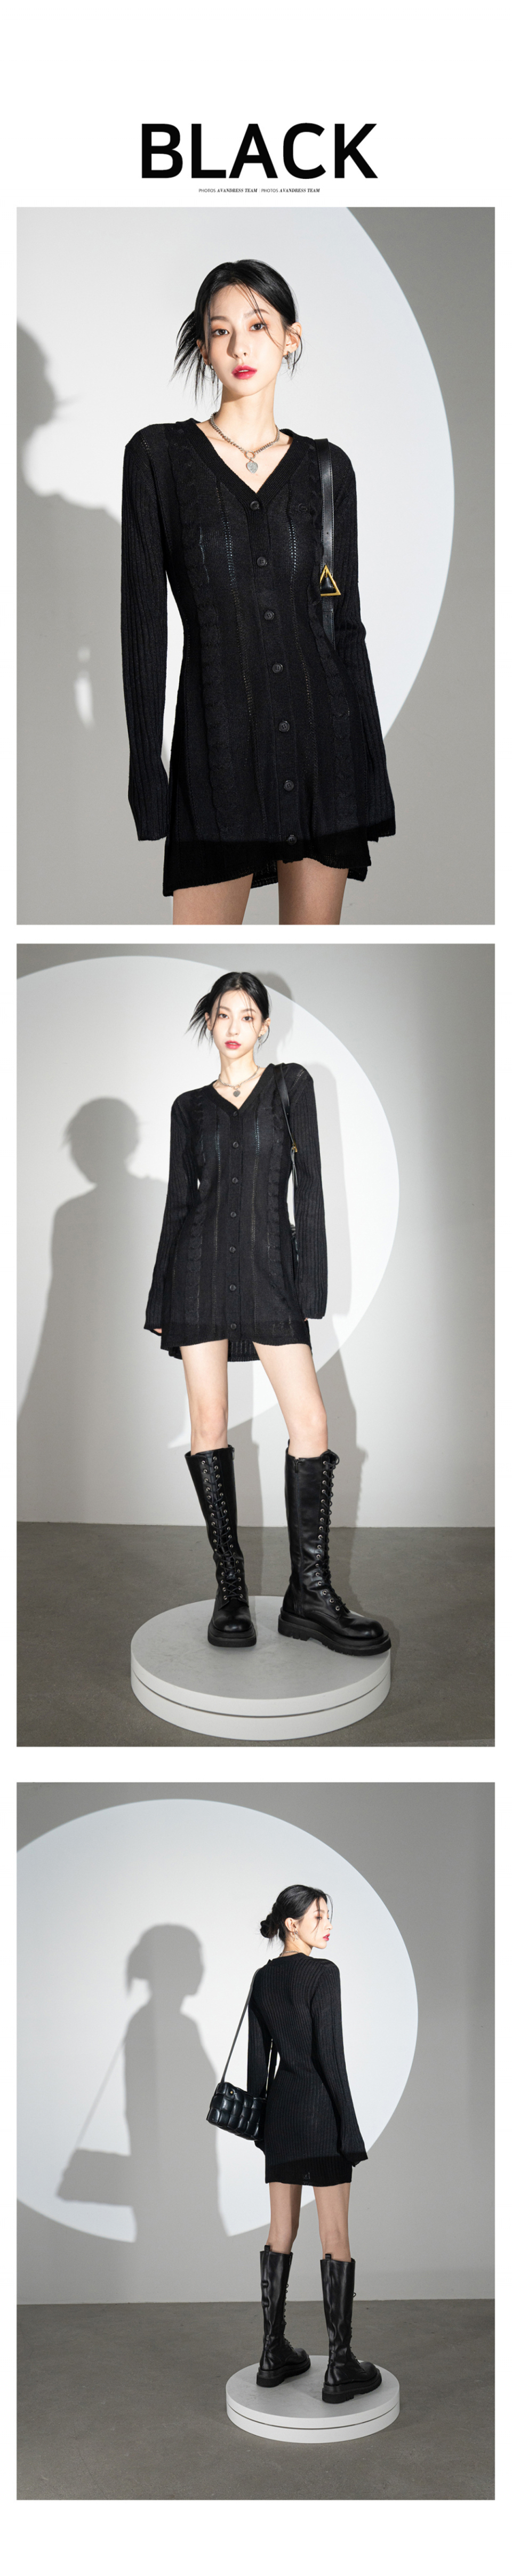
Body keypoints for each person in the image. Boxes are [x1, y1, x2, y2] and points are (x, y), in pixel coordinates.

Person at [121, 259, 395, 927]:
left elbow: (345, 628)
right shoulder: (158, 458)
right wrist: (147, 774)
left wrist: (371, 773)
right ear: (202, 346)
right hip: (220, 752)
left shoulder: (328, 470)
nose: (240, 346)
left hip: (326, 754)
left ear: (290, 338)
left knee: (315, 944)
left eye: (258, 325)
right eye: (221, 331)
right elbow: (144, 627)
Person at [145, 972, 390, 1655]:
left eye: (246, 1015)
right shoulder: (189, 1107)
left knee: (310, 1424)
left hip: (268, 1273)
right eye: (223, 1014)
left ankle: (309, 1593)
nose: (234, 1026)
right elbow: (178, 1202)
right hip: (197, 1276)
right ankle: (230, 1591)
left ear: (264, 1026)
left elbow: (310, 1187)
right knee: (209, 1423)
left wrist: (310, 1286)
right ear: (210, 1022)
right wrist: (160, 1296)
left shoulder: (290, 1086)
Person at [247, 1882, 382, 2405]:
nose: (327, 1924)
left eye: (328, 1915)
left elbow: (259, 2062)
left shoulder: (262, 1978)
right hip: (321, 2116)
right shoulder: (324, 1973)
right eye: (319, 1915)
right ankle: (340, 2364)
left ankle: (272, 2353)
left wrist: (263, 2124)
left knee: (280, 2231)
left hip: (281, 2117)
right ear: (292, 1923)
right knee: (335, 2235)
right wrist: (349, 2127)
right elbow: (332, 2057)